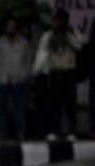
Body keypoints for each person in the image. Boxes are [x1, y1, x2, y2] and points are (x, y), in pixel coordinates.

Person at [33, 9, 84, 141]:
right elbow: (42, 53)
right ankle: (54, 131)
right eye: (55, 20)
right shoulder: (49, 35)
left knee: (70, 105)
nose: (57, 23)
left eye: (60, 21)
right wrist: (36, 71)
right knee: (54, 105)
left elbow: (80, 45)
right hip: (55, 73)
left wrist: (67, 34)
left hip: (69, 73)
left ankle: (71, 132)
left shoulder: (72, 33)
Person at [0, 16, 31, 139]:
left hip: (18, 79)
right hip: (2, 78)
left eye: (13, 26)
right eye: (8, 26)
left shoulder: (23, 43)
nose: (10, 28)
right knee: (1, 106)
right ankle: (1, 131)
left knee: (19, 106)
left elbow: (28, 60)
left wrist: (25, 74)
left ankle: (21, 130)